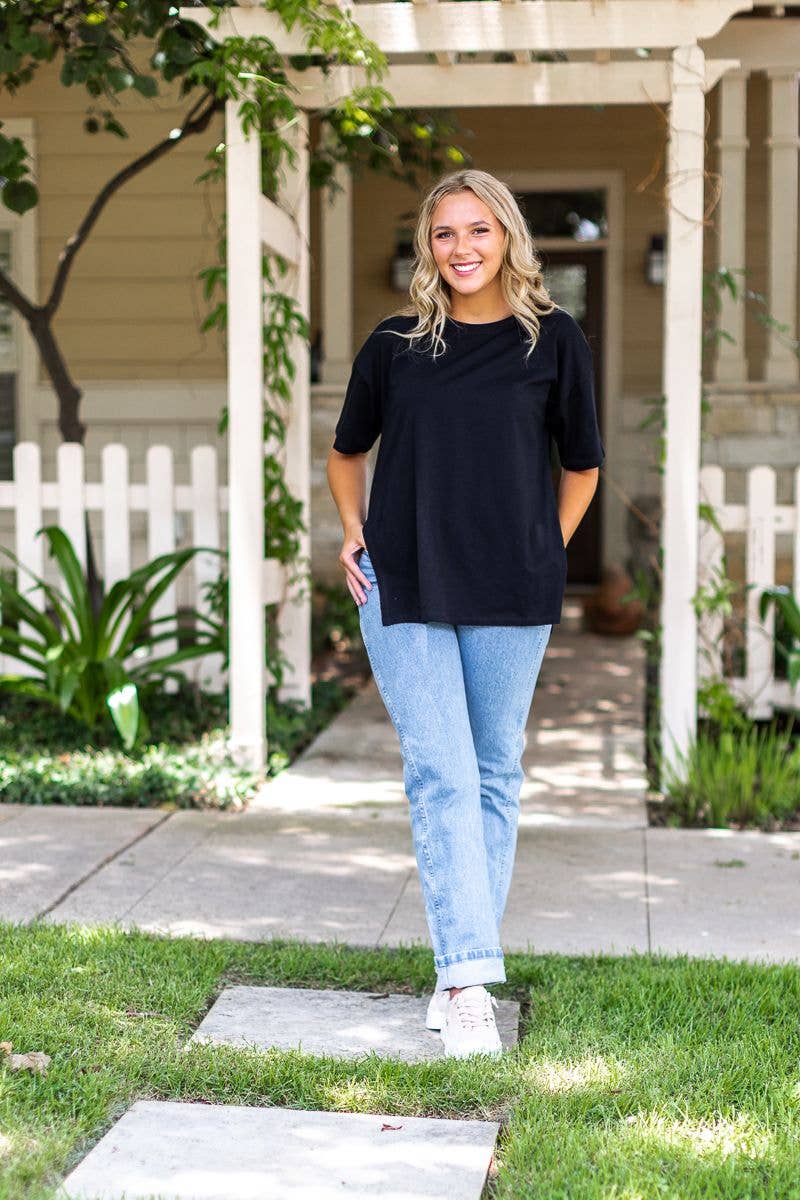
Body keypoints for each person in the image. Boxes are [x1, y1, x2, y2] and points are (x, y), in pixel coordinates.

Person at [326, 168, 604, 1058]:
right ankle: (471, 980)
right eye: (446, 233)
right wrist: (350, 532)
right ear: (428, 246)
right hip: (402, 580)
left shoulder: (554, 340)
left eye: (479, 230)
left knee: (492, 775)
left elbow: (584, 465)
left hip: (511, 586)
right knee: (441, 772)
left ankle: (459, 970)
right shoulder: (395, 344)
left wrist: (547, 548)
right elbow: (346, 453)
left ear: (508, 237)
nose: (464, 248)